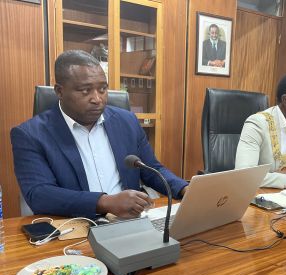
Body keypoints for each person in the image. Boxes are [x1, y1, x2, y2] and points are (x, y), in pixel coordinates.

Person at [10, 50, 188, 219]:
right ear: (59, 91)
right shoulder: (30, 135)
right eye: (85, 91)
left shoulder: (127, 122)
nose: (97, 99)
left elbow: (152, 169)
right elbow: (39, 194)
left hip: (130, 220)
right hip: (74, 226)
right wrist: (104, 202)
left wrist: (185, 190)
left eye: (102, 89)